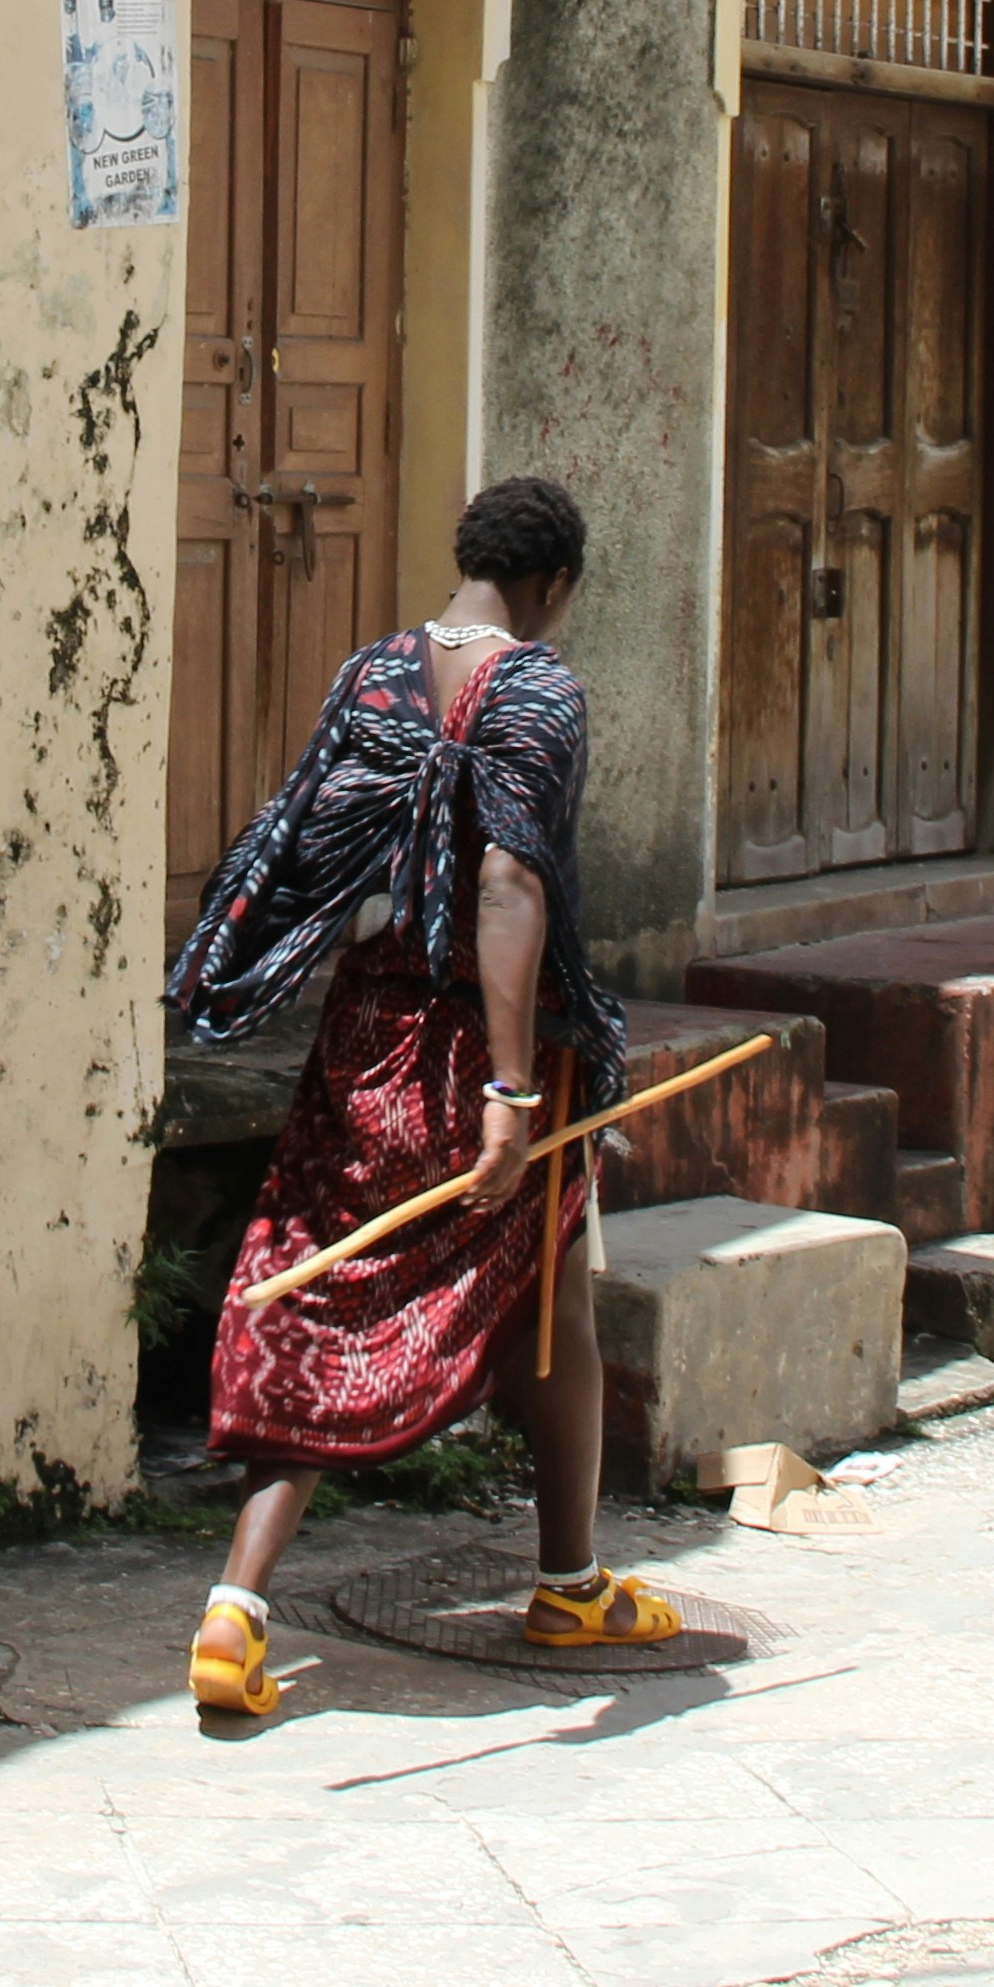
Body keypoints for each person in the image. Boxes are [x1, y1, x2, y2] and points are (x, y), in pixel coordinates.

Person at [160, 472, 678, 1716]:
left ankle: (239, 1607)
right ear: (551, 587)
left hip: (365, 1033)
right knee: (552, 1289)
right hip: (484, 1049)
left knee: (336, 1290)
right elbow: (509, 883)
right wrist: (507, 1087)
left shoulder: (375, 674)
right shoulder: (542, 690)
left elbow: (312, 838)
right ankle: (569, 1585)